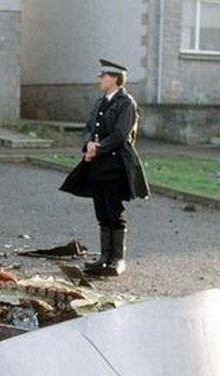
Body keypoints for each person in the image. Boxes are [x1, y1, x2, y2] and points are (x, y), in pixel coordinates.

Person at [59, 59, 150, 276]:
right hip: (98, 166)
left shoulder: (126, 103)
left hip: (116, 165)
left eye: (104, 76)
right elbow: (89, 126)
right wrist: (88, 143)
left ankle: (117, 259)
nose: (100, 79)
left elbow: (120, 135)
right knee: (101, 210)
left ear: (115, 79)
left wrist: (96, 148)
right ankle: (104, 257)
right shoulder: (101, 101)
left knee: (113, 211)